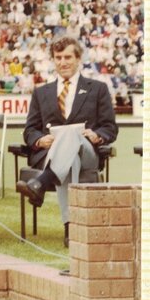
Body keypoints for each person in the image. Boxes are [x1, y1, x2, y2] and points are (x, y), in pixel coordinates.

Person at [17, 36, 117, 245]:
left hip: (87, 152)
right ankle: (71, 228)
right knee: (69, 161)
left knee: (73, 134)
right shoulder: (41, 92)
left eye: (68, 57)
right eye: (58, 57)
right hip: (50, 154)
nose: (63, 62)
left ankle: (41, 182)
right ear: (53, 60)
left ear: (78, 58)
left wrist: (97, 135)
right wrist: (39, 140)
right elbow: (29, 130)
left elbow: (110, 127)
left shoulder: (98, 89)